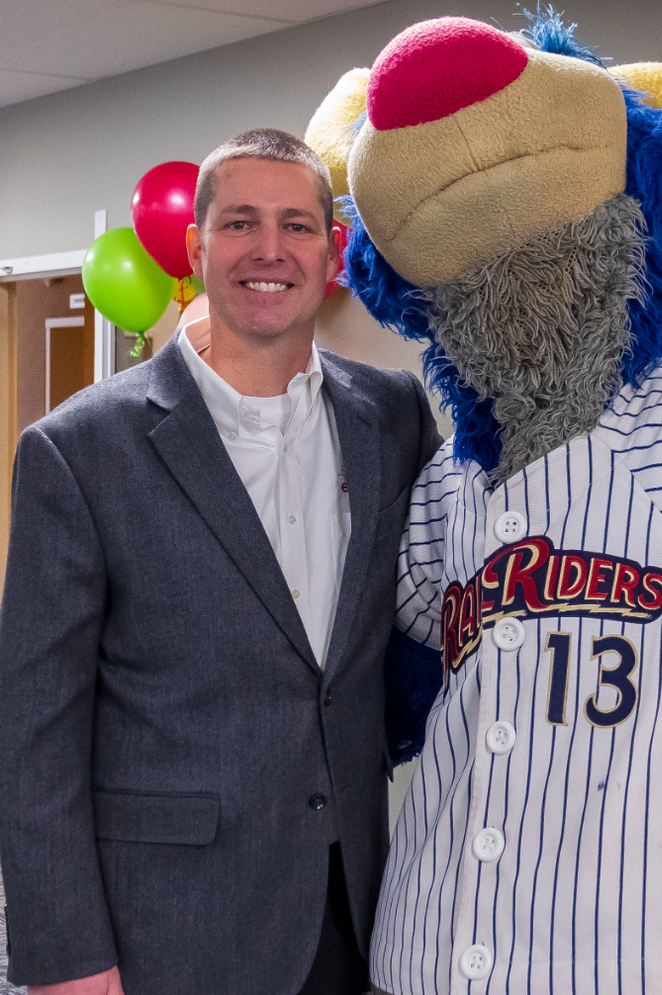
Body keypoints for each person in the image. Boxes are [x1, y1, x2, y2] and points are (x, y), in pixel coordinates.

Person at [0, 129, 440, 995]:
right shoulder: (80, 450)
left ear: (332, 248)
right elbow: (32, 737)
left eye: (296, 225)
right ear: (197, 248)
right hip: (166, 930)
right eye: (240, 224)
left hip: (354, 916)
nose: (269, 250)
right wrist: (67, 961)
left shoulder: (393, 415)